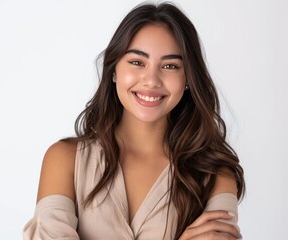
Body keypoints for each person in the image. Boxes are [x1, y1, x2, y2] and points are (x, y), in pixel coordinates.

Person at [23, 2, 245, 240]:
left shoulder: (215, 174)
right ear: (114, 70)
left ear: (188, 77)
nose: (151, 80)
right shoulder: (64, 160)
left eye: (170, 66)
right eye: (137, 62)